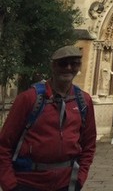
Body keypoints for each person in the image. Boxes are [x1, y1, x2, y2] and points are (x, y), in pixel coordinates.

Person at [0, 45, 97, 191]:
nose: (69, 68)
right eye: (63, 63)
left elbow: (89, 144)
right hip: (28, 182)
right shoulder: (29, 98)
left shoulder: (83, 100)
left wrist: (80, 179)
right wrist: (10, 185)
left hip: (66, 183)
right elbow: (4, 145)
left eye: (75, 63)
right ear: (53, 65)